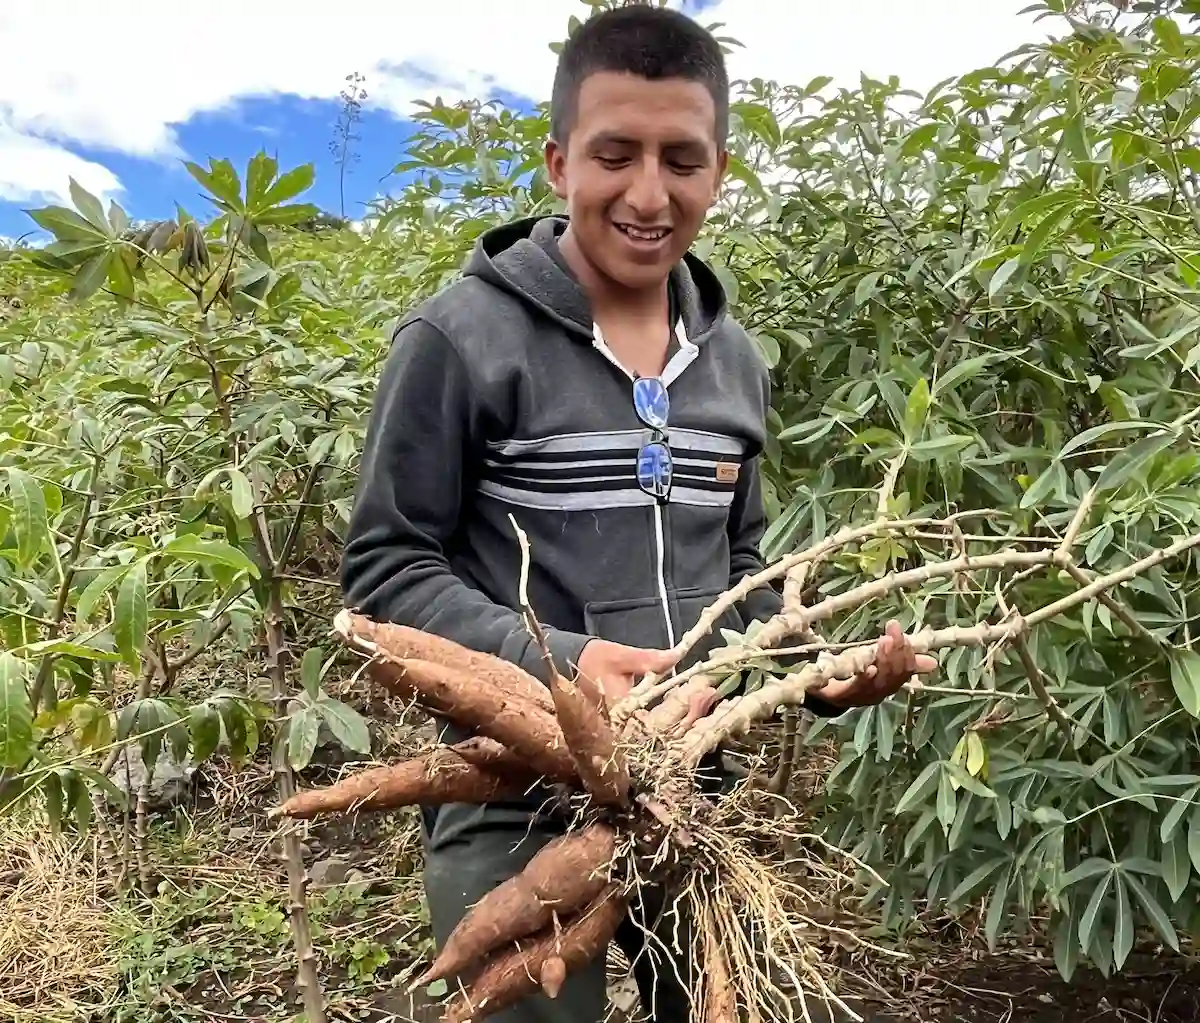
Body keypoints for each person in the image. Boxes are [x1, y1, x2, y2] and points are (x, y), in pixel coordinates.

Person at [341, 6, 937, 1021]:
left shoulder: (735, 361)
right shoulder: (459, 339)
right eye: (615, 154)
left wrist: (823, 667)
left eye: (682, 159)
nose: (649, 194)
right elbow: (387, 572)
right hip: (514, 800)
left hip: (693, 795)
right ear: (558, 160)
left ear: (721, 171)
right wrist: (562, 665)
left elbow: (734, 572)